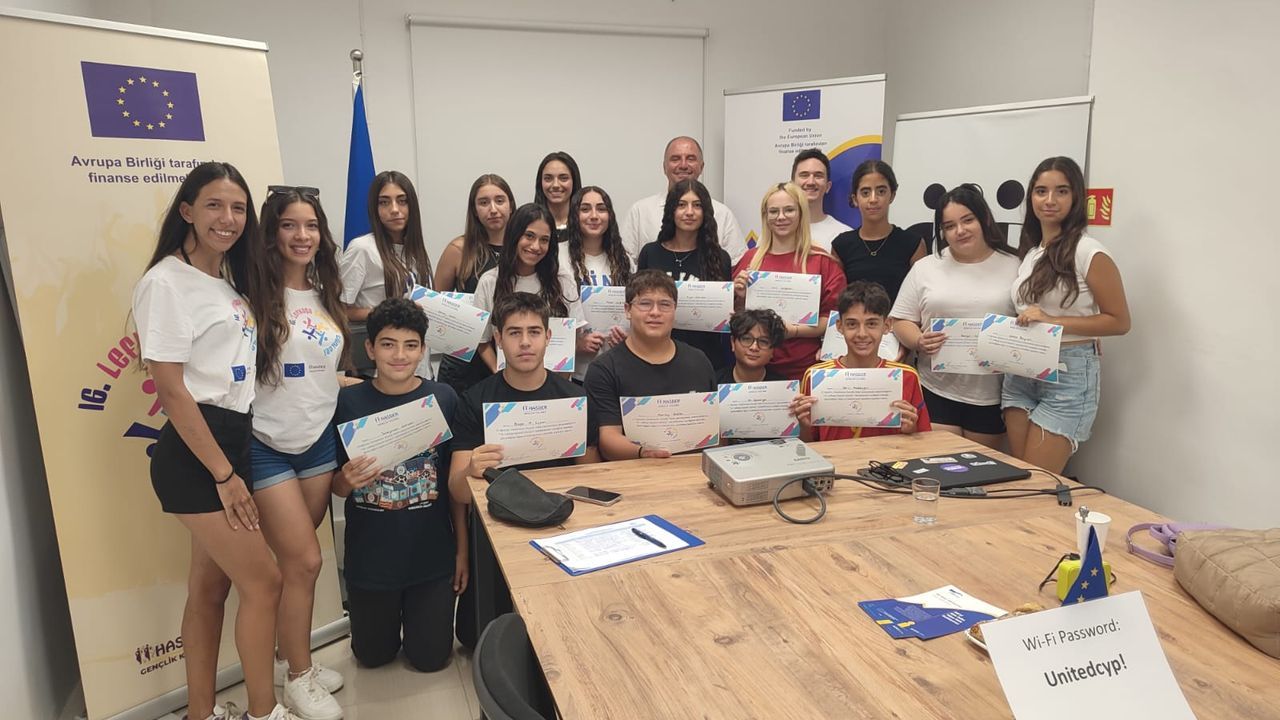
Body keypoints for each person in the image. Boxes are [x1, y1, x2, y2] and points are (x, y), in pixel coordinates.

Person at [132, 162, 298, 720]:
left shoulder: (224, 280)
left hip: (231, 438)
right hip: (198, 452)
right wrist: (224, 475)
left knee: (210, 591)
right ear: (186, 210)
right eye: (213, 205)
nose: (228, 218)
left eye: (238, 208)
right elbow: (171, 390)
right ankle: (264, 712)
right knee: (265, 582)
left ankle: (200, 714)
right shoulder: (165, 282)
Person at [245, 187, 354, 720]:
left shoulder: (326, 292)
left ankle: (294, 659)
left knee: (298, 566)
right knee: (307, 561)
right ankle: (299, 679)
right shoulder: (249, 294)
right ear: (271, 233)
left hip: (317, 440)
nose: (302, 235)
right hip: (264, 442)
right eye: (289, 225)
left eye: (311, 226)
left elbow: (322, 370)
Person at [330, 299, 466, 673]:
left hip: (431, 557)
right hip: (370, 560)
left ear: (423, 349)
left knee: (431, 660)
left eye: (410, 345)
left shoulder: (443, 398)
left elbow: (454, 485)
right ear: (370, 348)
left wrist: (461, 552)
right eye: (388, 344)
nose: (400, 355)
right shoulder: (347, 403)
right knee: (371, 657)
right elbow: (335, 487)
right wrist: (345, 480)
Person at [1003, 156, 1130, 473]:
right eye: (1041, 191)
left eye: (1061, 191)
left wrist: (1054, 321)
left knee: (1039, 482)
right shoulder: (1032, 253)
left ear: (1075, 198)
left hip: (1067, 372)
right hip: (1021, 371)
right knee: (1020, 476)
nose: (1049, 200)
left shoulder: (1088, 251)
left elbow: (1119, 321)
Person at [890, 184, 1021, 450]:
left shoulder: (1015, 266)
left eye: (967, 220)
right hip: (936, 389)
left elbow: (1032, 318)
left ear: (984, 218)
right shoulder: (926, 267)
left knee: (982, 469)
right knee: (939, 465)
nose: (960, 231)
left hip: (991, 395)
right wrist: (918, 340)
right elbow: (900, 320)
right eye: (949, 226)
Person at [448, 291, 602, 504]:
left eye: (534, 332)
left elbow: (591, 477)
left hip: (564, 508)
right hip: (500, 512)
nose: (525, 342)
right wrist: (470, 470)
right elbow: (459, 494)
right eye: (514, 333)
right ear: (498, 339)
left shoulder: (576, 400)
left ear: (548, 337)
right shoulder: (474, 400)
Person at [584, 270, 718, 461]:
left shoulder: (699, 361)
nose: (655, 312)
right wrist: (643, 452)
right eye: (645, 303)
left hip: (693, 469)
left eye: (665, 304)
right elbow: (608, 439)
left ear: (675, 310)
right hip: (634, 470)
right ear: (627, 310)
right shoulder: (604, 369)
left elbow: (713, 428)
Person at [732, 182, 847, 380]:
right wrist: (740, 298)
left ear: (801, 213)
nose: (781, 217)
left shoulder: (822, 261)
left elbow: (835, 319)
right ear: (765, 216)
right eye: (773, 211)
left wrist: (793, 331)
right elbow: (736, 319)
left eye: (789, 210)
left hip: (803, 367)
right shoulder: (750, 260)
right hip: (754, 369)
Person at [792, 281, 931, 441]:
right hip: (834, 457)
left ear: (887, 326)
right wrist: (804, 426)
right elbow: (809, 442)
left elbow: (924, 439)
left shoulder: (907, 376)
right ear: (839, 326)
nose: (862, 334)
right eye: (852, 324)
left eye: (871, 324)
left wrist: (911, 430)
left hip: (888, 456)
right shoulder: (816, 376)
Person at [472, 203, 584, 375]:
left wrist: (560, 379)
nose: (536, 246)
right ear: (514, 236)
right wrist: (498, 372)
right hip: (508, 382)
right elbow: (482, 340)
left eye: (544, 240)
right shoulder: (490, 281)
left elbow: (574, 335)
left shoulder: (562, 280)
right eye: (529, 236)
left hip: (555, 381)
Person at [636, 179, 733, 370]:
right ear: (671, 210)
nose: (689, 212)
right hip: (654, 355)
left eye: (697, 205)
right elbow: (640, 303)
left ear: (706, 212)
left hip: (706, 359)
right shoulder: (650, 253)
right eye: (681, 205)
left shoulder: (719, 258)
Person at [434, 174, 516, 397]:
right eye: (484, 202)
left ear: (511, 205)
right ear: (474, 210)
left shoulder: (525, 249)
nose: (493, 209)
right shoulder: (458, 250)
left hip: (511, 358)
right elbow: (437, 309)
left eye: (500, 200)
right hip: (463, 365)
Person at [620, 136, 746, 263]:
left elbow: (738, 265)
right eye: (675, 159)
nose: (683, 165)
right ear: (664, 167)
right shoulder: (640, 211)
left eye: (691, 159)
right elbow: (624, 263)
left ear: (701, 166)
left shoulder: (723, 214)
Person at [339, 171, 434, 322]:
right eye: (384, 202)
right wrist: (390, 313)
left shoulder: (415, 250)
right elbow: (339, 309)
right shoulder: (362, 248)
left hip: (414, 335)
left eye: (402, 201)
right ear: (374, 209)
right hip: (376, 335)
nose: (394, 209)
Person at [559, 185, 632, 382]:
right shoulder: (558, 257)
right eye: (585, 209)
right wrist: (574, 344)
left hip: (616, 369)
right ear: (574, 215)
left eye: (601, 209)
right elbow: (546, 314)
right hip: (573, 373)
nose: (594, 216)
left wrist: (629, 340)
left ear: (610, 215)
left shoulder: (624, 259)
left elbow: (635, 308)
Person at [831, 160, 925, 303]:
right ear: (855, 199)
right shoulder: (841, 246)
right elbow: (836, 300)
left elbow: (921, 298)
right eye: (865, 193)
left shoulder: (913, 244)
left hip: (899, 318)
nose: (873, 199)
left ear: (892, 195)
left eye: (881, 191)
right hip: (853, 318)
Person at [792, 148, 851, 251]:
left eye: (818, 176)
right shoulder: (776, 232)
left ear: (828, 186)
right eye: (804, 175)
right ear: (792, 185)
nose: (811, 182)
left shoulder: (844, 235)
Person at [717, 309, 787, 385]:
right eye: (747, 339)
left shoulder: (783, 386)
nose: (754, 347)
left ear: (773, 349)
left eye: (763, 341)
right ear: (733, 343)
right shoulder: (714, 382)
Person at [532, 151, 581, 231]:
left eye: (563, 178)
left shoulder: (585, 225)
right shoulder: (528, 224)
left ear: (574, 181)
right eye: (548, 178)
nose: (555, 185)